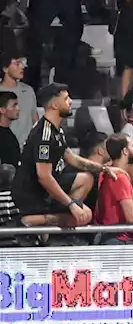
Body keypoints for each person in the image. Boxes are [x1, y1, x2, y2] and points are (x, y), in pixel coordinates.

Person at [12, 83, 116, 228]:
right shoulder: (44, 135)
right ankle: (37, 220)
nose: (71, 101)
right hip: (33, 194)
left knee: (86, 182)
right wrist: (71, 204)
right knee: (83, 216)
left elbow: (71, 158)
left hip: (48, 187)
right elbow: (44, 177)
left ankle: (54, 219)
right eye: (66, 98)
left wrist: (102, 168)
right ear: (55, 104)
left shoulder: (56, 130)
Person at [93, 135, 133, 243]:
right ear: (125, 151)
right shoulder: (120, 178)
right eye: (132, 146)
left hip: (107, 237)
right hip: (119, 240)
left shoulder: (105, 174)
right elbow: (131, 218)